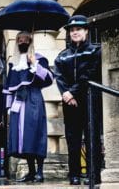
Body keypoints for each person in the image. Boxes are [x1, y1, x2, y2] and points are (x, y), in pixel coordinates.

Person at [54, 15, 102, 185]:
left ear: (86, 31)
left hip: (89, 101)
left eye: (78, 29)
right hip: (70, 103)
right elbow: (58, 76)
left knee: (92, 138)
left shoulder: (95, 51)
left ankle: (93, 173)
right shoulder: (62, 56)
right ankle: (73, 174)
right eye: (72, 30)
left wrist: (72, 92)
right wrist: (66, 94)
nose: (74, 33)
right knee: (72, 140)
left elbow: (88, 74)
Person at [3, 31, 53, 183]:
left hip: (33, 100)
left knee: (35, 134)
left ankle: (40, 172)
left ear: (30, 41)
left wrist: (34, 65)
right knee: (23, 139)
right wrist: (8, 108)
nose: (22, 42)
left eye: (25, 39)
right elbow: (8, 88)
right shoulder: (14, 63)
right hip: (18, 102)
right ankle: (31, 172)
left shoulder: (39, 59)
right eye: (19, 40)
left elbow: (49, 78)